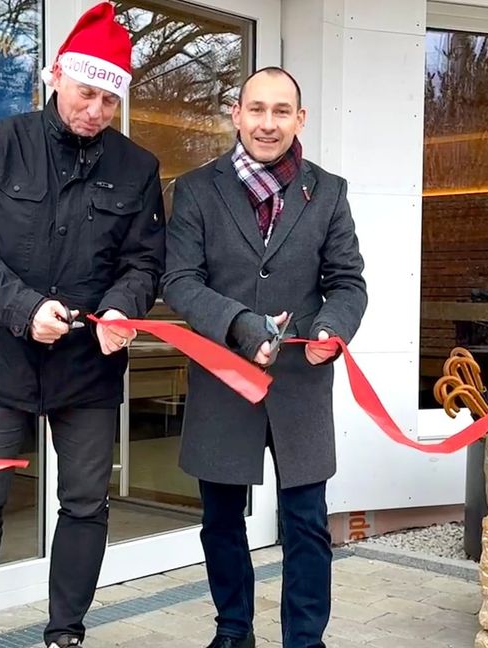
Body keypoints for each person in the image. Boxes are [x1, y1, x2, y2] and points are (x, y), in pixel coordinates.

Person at [0, 4, 165, 647]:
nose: (96, 110)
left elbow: (145, 263)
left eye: (110, 100)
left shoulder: (138, 167)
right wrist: (23, 308)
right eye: (86, 93)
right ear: (56, 76)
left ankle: (66, 634)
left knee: (86, 503)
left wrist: (122, 306)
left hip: (88, 367)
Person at [161, 67, 368, 648]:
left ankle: (305, 639)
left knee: (306, 522)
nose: (267, 123)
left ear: (300, 119)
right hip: (223, 378)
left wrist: (331, 328)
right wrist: (237, 323)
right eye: (256, 109)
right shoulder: (196, 189)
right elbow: (179, 280)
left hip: (301, 382)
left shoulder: (328, 191)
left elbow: (347, 282)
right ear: (237, 114)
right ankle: (234, 630)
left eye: (281, 111)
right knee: (220, 521)